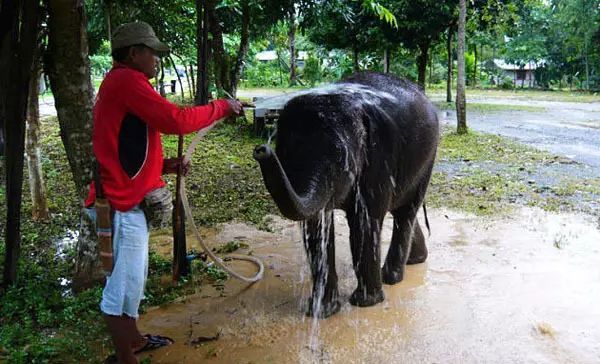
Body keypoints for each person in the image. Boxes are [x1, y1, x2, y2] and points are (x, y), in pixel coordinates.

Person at [84, 21, 243, 363]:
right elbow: (176, 120)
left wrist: (164, 166)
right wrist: (222, 107)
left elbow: (126, 146)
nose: (156, 59)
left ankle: (135, 340)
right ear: (133, 54)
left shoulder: (124, 81)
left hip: (125, 197)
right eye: (151, 53)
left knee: (134, 278)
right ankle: (125, 357)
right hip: (118, 204)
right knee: (122, 285)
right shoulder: (127, 80)